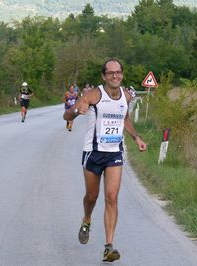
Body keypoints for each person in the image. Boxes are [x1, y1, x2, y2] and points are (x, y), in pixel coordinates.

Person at [63, 59, 147, 262]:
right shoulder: (93, 95)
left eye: (118, 72)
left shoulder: (126, 96)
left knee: (112, 197)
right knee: (92, 197)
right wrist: (77, 111)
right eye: (110, 73)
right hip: (93, 152)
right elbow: (67, 115)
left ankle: (109, 247)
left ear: (122, 74)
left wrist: (136, 138)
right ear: (104, 76)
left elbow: (124, 118)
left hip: (114, 153)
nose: (115, 76)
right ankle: (87, 219)